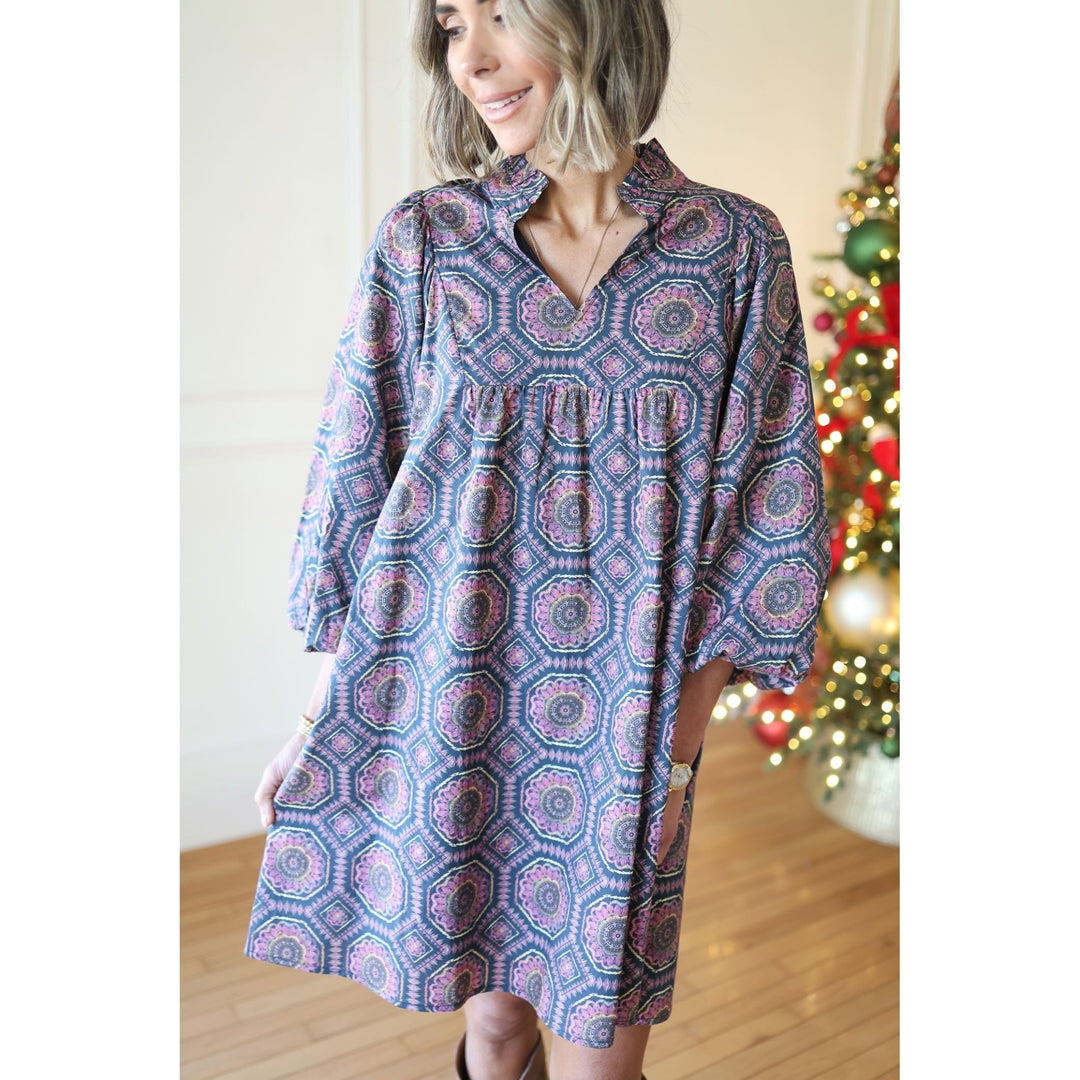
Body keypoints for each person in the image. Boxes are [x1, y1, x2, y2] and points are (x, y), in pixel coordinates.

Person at [246, 1, 830, 1078]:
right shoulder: (428, 240)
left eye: (502, 13)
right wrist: (326, 717)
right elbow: (359, 484)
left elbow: (770, 508)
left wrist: (679, 760)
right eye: (450, 22)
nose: (469, 57)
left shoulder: (733, 249)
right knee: (498, 1025)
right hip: (452, 701)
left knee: (602, 1052)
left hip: (628, 730)